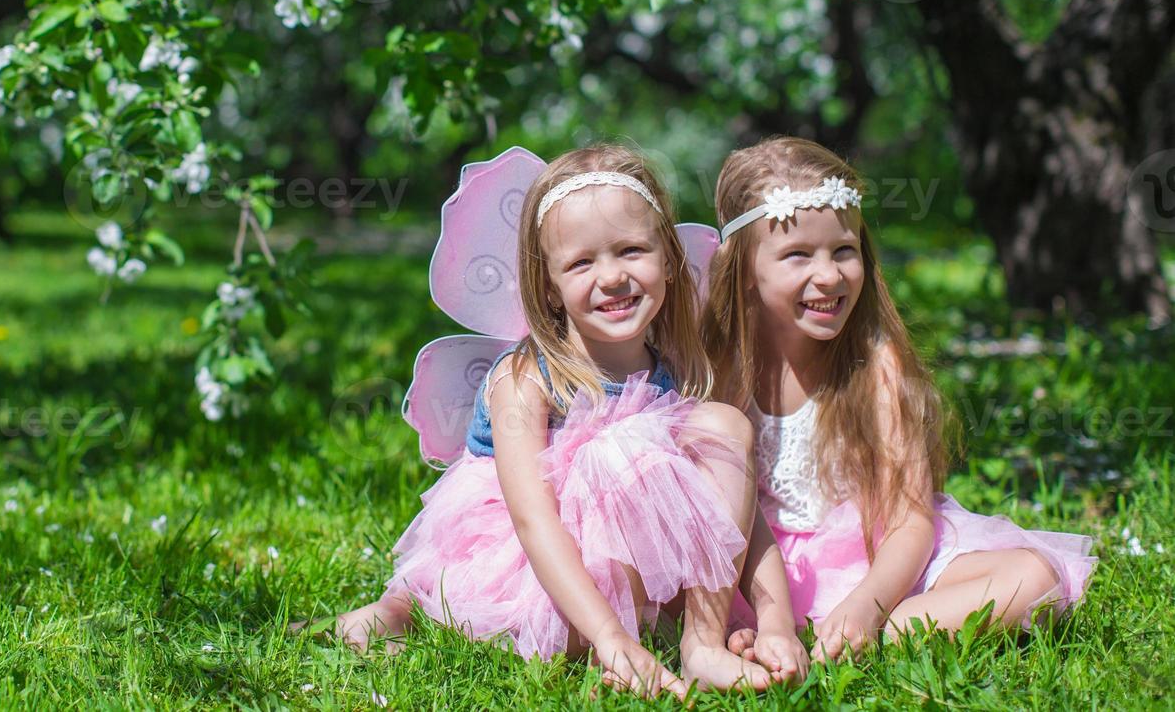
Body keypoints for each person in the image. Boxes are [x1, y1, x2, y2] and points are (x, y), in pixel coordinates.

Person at [333, 144, 777, 695]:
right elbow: (534, 523)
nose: (612, 277)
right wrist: (614, 640)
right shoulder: (525, 379)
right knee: (561, 632)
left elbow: (727, 505)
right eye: (582, 262)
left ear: (667, 258)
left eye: (632, 250)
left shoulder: (672, 366)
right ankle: (394, 612)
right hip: (534, 560)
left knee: (725, 426)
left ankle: (702, 645)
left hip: (620, 558)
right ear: (548, 283)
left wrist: (771, 614)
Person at [703, 136, 1096, 662]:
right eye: (797, 255)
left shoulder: (874, 365)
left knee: (1036, 578)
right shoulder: (720, 369)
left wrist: (869, 602)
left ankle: (879, 628)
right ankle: (788, 631)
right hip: (760, 573)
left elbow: (912, 519)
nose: (829, 275)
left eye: (844, 251)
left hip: (878, 560)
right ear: (742, 269)